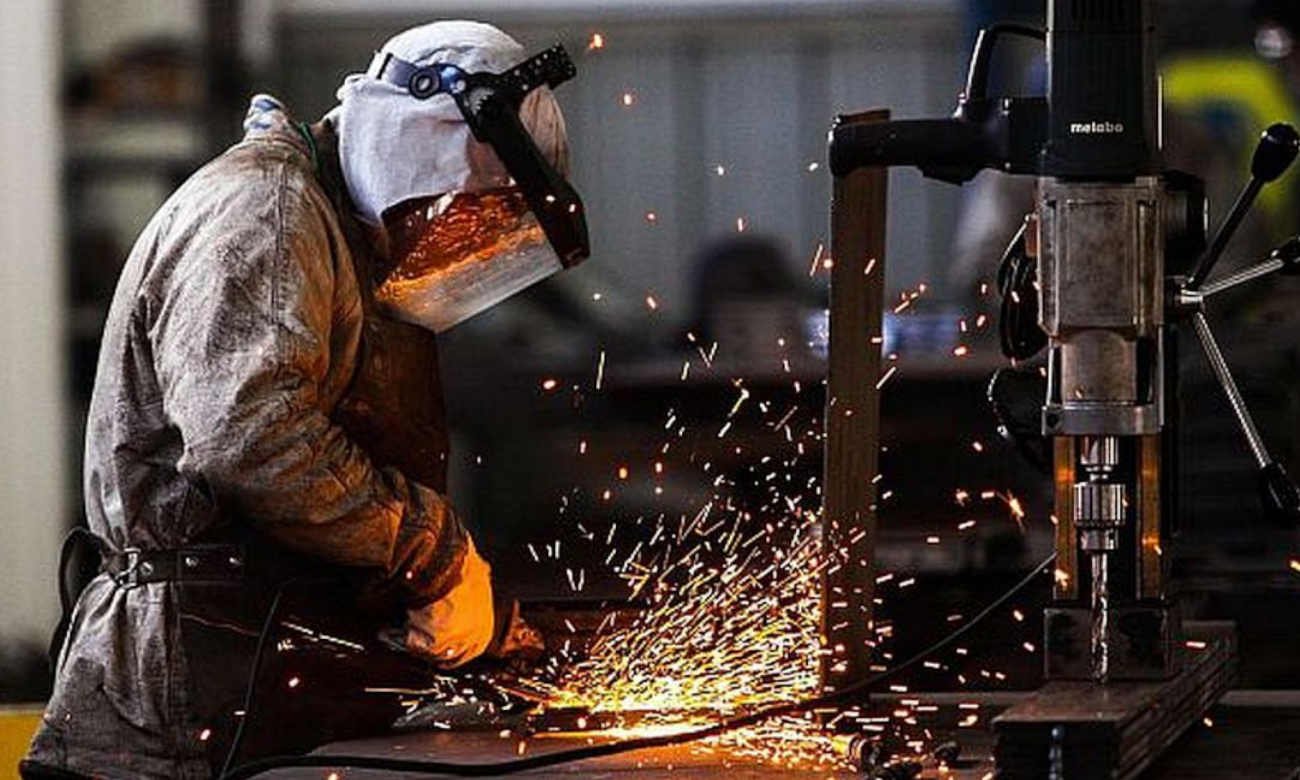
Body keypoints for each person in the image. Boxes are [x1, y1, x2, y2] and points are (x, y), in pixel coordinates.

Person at [23, 20, 573, 779]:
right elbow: (253, 437)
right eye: (461, 201)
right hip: (186, 708)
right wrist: (430, 551)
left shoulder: (328, 225)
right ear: (415, 135)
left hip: (244, 680)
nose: (452, 230)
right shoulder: (268, 213)